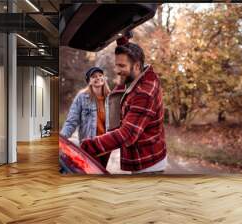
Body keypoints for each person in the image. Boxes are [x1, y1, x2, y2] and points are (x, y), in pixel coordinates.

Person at [80, 38, 167, 174]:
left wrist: (90, 146)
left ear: (137, 66)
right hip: (142, 159)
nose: (117, 70)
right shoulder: (136, 77)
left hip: (148, 166)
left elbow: (128, 134)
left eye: (121, 66)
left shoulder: (145, 92)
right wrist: (123, 44)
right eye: (116, 65)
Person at [60, 67, 111, 168]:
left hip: (106, 145)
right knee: (92, 171)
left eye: (100, 75)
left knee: (101, 171)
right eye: (94, 76)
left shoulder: (111, 97)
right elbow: (71, 121)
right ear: (89, 81)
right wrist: (62, 139)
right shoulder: (82, 97)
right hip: (89, 144)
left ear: (104, 78)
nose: (98, 78)